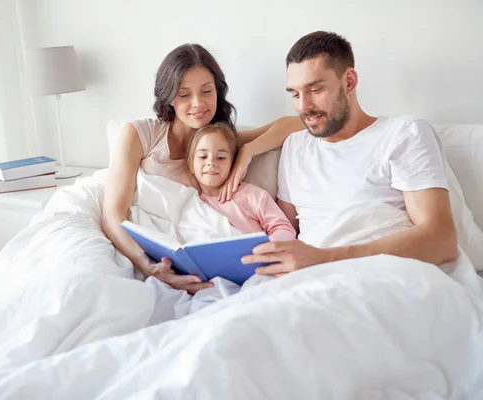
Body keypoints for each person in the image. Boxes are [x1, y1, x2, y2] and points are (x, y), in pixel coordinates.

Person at [237, 31, 457, 274]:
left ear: (349, 81)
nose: (303, 106)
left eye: (316, 89)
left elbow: (441, 240)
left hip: (381, 275)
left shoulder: (403, 134)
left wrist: (325, 259)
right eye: (295, 94)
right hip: (307, 280)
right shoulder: (295, 146)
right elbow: (281, 230)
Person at [101, 43, 304, 294]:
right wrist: (149, 267)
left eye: (206, 91)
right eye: (184, 94)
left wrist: (248, 152)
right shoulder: (141, 134)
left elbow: (295, 123)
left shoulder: (218, 141)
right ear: (169, 97)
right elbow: (113, 216)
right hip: (151, 259)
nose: (198, 104)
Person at [187, 122, 296, 241]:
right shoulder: (192, 205)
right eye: (203, 156)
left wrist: (263, 249)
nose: (211, 162)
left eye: (221, 157)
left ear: (233, 164)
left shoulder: (253, 195)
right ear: (191, 165)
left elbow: (285, 229)